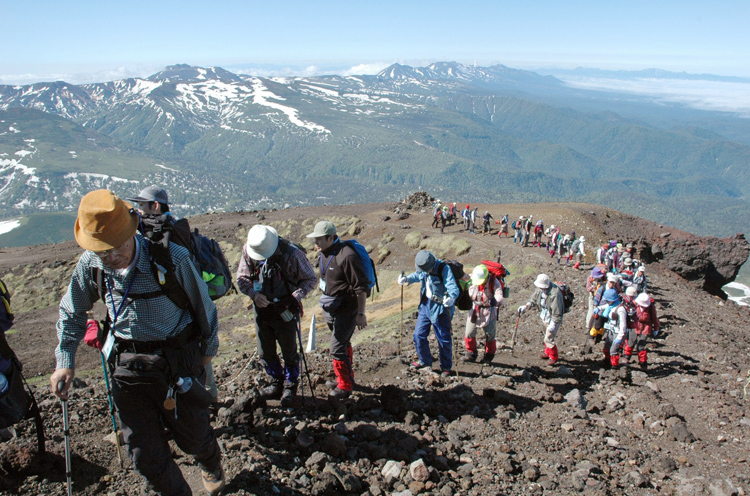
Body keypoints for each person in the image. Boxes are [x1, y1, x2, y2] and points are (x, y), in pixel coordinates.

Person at [51, 190, 225, 496]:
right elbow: (72, 310)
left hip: (177, 360)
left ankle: (209, 461)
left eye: (115, 249)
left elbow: (204, 308)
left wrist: (207, 354)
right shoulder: (92, 263)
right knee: (144, 455)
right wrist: (65, 360)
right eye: (102, 251)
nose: (109, 258)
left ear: (131, 233)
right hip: (126, 366)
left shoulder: (172, 258)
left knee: (195, 436)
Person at [128, 185, 219, 402]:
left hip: (181, 319)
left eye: (142, 205)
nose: (139, 210)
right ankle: (209, 401)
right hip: (191, 312)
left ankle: (202, 406)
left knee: (191, 363)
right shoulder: (178, 230)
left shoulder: (162, 237)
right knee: (199, 363)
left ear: (155, 205)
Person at [236, 225, 317, 406]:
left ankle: (290, 384)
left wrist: (293, 298)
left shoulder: (293, 254)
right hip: (262, 309)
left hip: (286, 309)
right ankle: (276, 382)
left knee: (289, 349)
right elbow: (242, 278)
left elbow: (311, 279)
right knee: (265, 350)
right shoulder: (249, 250)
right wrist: (254, 295)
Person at [306, 221, 369, 399]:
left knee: (336, 348)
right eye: (314, 240)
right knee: (343, 344)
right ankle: (346, 378)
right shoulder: (324, 254)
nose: (315, 244)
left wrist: (361, 313)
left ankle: (345, 386)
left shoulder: (347, 256)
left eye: (319, 239)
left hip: (346, 310)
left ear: (331, 237)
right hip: (331, 307)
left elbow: (361, 288)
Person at [398, 250, 459, 376]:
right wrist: (407, 279)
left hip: (441, 309)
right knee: (418, 335)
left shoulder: (444, 269)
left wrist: (451, 298)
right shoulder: (424, 269)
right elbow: (418, 275)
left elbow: (453, 288)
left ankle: (446, 367)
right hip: (425, 305)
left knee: (443, 338)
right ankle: (424, 361)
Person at [517, 274, 565, 365]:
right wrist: (526, 306)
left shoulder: (555, 293)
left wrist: (553, 323)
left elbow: (557, 310)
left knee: (548, 338)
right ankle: (547, 352)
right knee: (545, 334)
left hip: (553, 319)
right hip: (544, 316)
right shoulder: (540, 289)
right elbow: (533, 299)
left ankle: (553, 357)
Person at [462, 265, 504, 363]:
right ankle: (471, 353)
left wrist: (496, 302)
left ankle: (489, 356)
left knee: (490, 335)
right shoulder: (472, 277)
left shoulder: (494, 282)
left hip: (488, 312)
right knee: (469, 332)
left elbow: (499, 296)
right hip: (474, 310)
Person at [630, 292, 659, 369]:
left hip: (645, 328)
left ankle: (643, 363)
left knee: (641, 346)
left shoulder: (650, 308)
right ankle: (626, 357)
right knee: (630, 342)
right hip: (635, 326)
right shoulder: (634, 305)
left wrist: (656, 328)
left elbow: (654, 318)